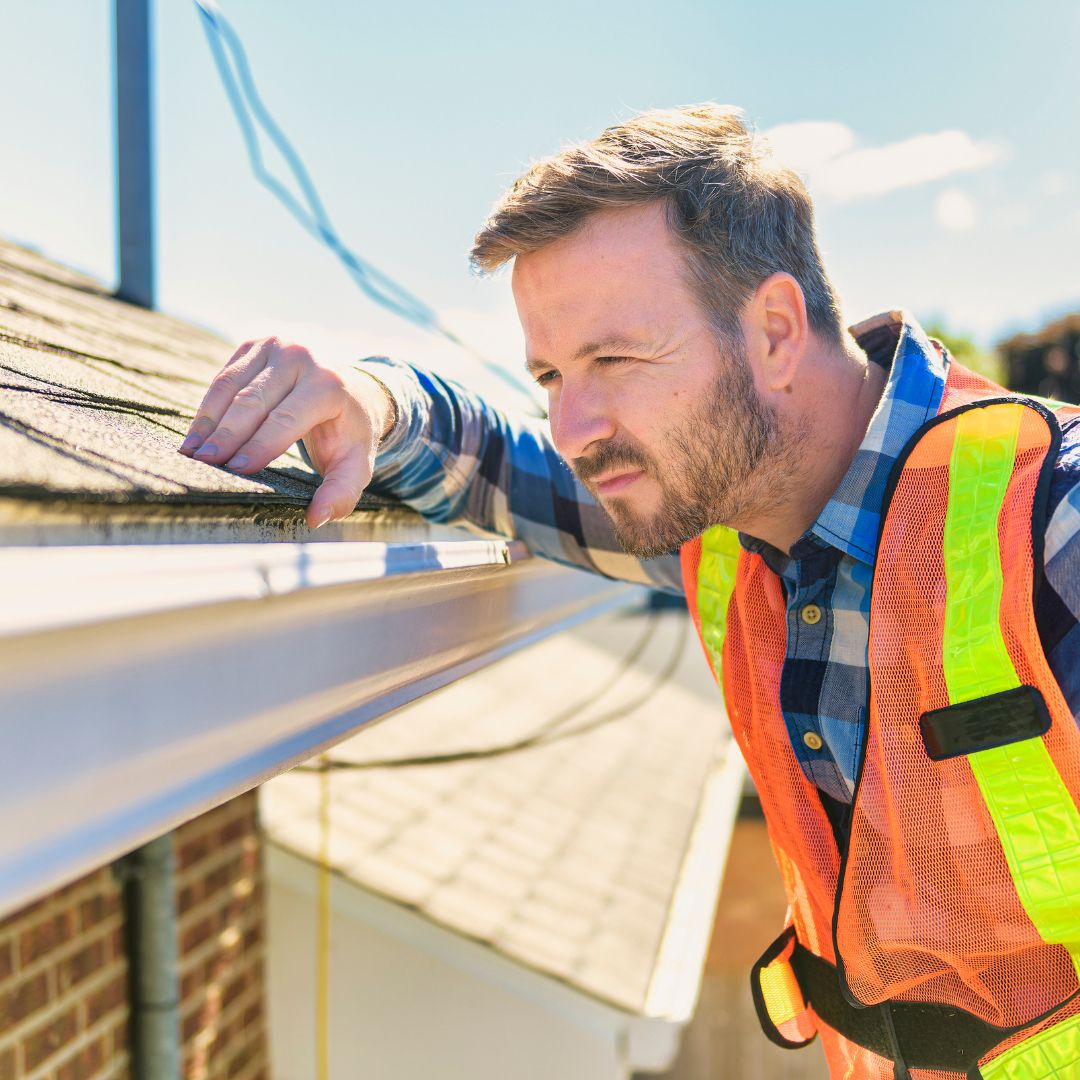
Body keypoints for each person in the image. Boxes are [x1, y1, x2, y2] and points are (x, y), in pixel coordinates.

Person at [179, 105, 1080, 1078]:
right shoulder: (716, 518)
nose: (572, 424)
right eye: (552, 374)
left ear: (774, 331)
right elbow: (495, 458)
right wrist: (371, 398)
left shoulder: (1053, 518)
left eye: (612, 360)